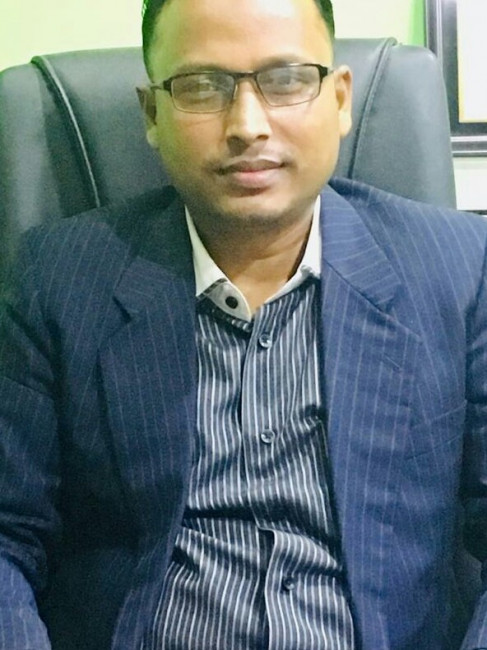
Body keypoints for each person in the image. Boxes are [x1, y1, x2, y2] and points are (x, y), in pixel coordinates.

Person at [1, 0, 487, 647]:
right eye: (202, 86)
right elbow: (8, 534)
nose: (247, 126)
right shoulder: (57, 278)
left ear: (340, 99)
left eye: (286, 80)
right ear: (152, 114)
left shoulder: (458, 270)